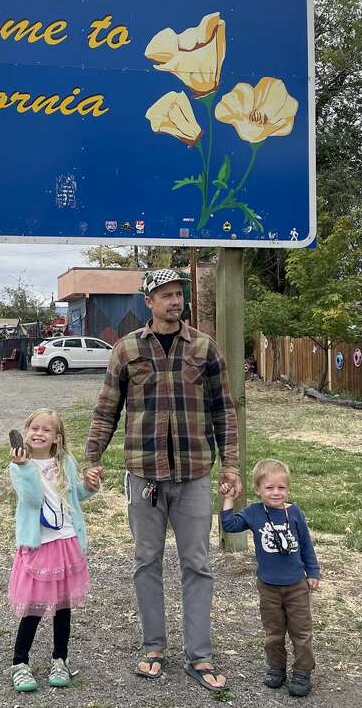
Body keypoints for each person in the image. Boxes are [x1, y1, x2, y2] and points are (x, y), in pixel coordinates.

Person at [83, 268, 239, 692]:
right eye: (166, 295)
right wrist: (91, 458)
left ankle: (199, 655)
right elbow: (106, 410)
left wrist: (231, 465)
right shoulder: (126, 349)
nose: (175, 301)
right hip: (144, 476)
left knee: (198, 564)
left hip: (193, 476)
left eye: (178, 294)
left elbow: (224, 411)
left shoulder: (205, 349)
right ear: (148, 301)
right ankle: (153, 647)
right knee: (146, 562)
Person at [6, 408, 96, 693]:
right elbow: (32, 500)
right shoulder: (20, 466)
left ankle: (61, 658)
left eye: (46, 430)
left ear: (57, 438)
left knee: (63, 606)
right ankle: (20, 662)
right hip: (39, 544)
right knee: (33, 606)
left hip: (66, 541)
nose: (39, 433)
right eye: (34, 428)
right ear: (26, 432)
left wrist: (89, 487)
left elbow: (71, 495)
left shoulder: (65, 462)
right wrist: (23, 468)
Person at [220, 458, 320, 698]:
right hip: (268, 586)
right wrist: (228, 500)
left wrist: (313, 571)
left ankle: (302, 671)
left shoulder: (295, 513)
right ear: (258, 489)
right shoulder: (254, 513)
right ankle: (276, 669)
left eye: (281, 488)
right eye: (269, 488)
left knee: (301, 632)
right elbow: (230, 526)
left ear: (287, 488)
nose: (276, 493)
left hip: (296, 585)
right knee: (273, 632)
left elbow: (306, 544)